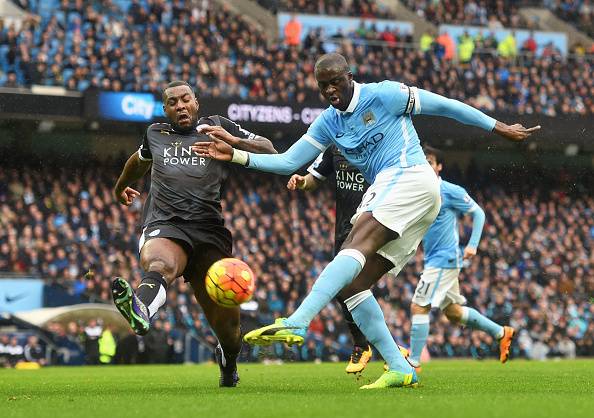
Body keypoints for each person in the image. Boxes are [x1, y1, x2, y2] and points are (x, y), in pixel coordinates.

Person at [192, 53, 539, 389]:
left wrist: (499, 128)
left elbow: (447, 105)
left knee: (353, 244)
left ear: (349, 77)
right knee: (354, 285)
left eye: (336, 82)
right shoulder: (328, 121)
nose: (330, 90)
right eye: (323, 85)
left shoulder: (384, 94)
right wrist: (236, 154)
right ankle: (401, 368)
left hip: (409, 175)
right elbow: (287, 163)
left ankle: (298, 321)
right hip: (411, 196)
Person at [111, 80, 276, 387]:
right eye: (172, 102)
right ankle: (142, 308)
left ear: (197, 102)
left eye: (185, 99)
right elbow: (138, 162)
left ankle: (228, 360)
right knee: (160, 263)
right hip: (167, 224)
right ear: (165, 109)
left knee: (229, 331)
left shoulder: (217, 126)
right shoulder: (155, 134)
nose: (180, 106)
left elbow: (269, 149)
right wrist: (120, 185)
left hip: (209, 232)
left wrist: (233, 141)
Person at [408, 146, 515, 371]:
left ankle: (413, 364)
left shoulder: (448, 190)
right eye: (422, 161)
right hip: (435, 260)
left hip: (444, 260)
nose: (425, 165)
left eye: (430, 161)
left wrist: (473, 245)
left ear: (439, 167)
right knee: (454, 313)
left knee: (419, 306)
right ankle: (500, 332)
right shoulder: (418, 192)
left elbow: (478, 212)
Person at [288, 145, 373, 374]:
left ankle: (364, 345)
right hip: (344, 230)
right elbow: (314, 178)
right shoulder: (334, 146)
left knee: (348, 286)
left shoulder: (378, 139)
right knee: (350, 290)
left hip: (373, 225)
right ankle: (387, 349)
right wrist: (302, 181)